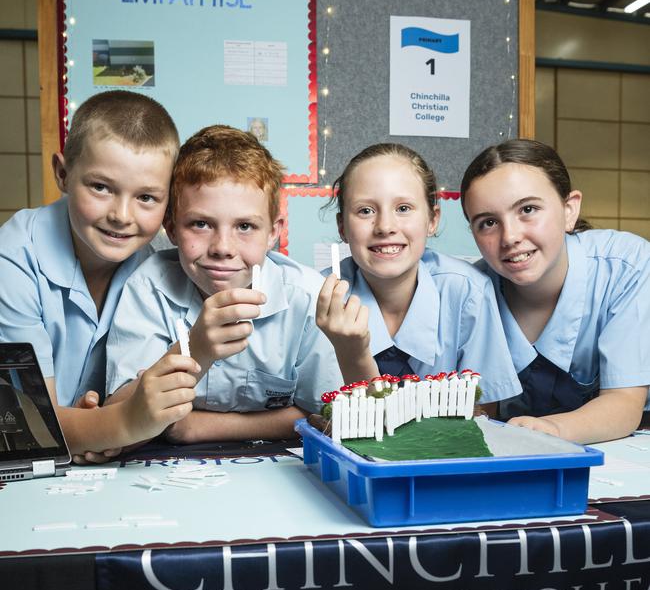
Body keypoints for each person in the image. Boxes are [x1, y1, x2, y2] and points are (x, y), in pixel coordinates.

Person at [105, 125, 342, 441]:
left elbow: (324, 417)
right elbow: (120, 415)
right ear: (172, 228)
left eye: (245, 226)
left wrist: (189, 428)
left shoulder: (308, 297)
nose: (222, 247)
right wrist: (196, 351)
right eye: (200, 224)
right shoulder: (147, 287)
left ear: (274, 233)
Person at [0, 90, 199, 460]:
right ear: (62, 173)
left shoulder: (160, 266)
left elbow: (149, 397)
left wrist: (99, 426)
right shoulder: (11, 261)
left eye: (146, 198)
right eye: (101, 187)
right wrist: (121, 423)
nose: (122, 215)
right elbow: (28, 427)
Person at [460, 139, 650, 444]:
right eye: (488, 223)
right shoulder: (468, 290)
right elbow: (480, 409)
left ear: (569, 209)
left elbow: (624, 402)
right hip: (514, 461)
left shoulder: (627, 266)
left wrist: (549, 432)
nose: (510, 237)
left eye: (528, 209)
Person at [315, 143, 521, 410]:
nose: (385, 227)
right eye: (366, 211)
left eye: (403, 208)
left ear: (432, 219)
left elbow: (482, 414)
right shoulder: (316, 296)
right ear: (342, 226)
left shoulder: (468, 291)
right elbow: (323, 418)